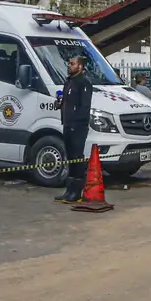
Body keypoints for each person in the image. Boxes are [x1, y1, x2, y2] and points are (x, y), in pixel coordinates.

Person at [55, 55, 94, 204]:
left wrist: (76, 122)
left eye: (72, 64)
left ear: (80, 67)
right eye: (69, 63)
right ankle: (69, 190)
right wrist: (60, 104)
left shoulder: (84, 83)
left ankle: (77, 191)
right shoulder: (69, 82)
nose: (69, 66)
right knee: (70, 157)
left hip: (78, 127)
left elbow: (84, 107)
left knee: (77, 157)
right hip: (67, 125)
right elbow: (68, 102)